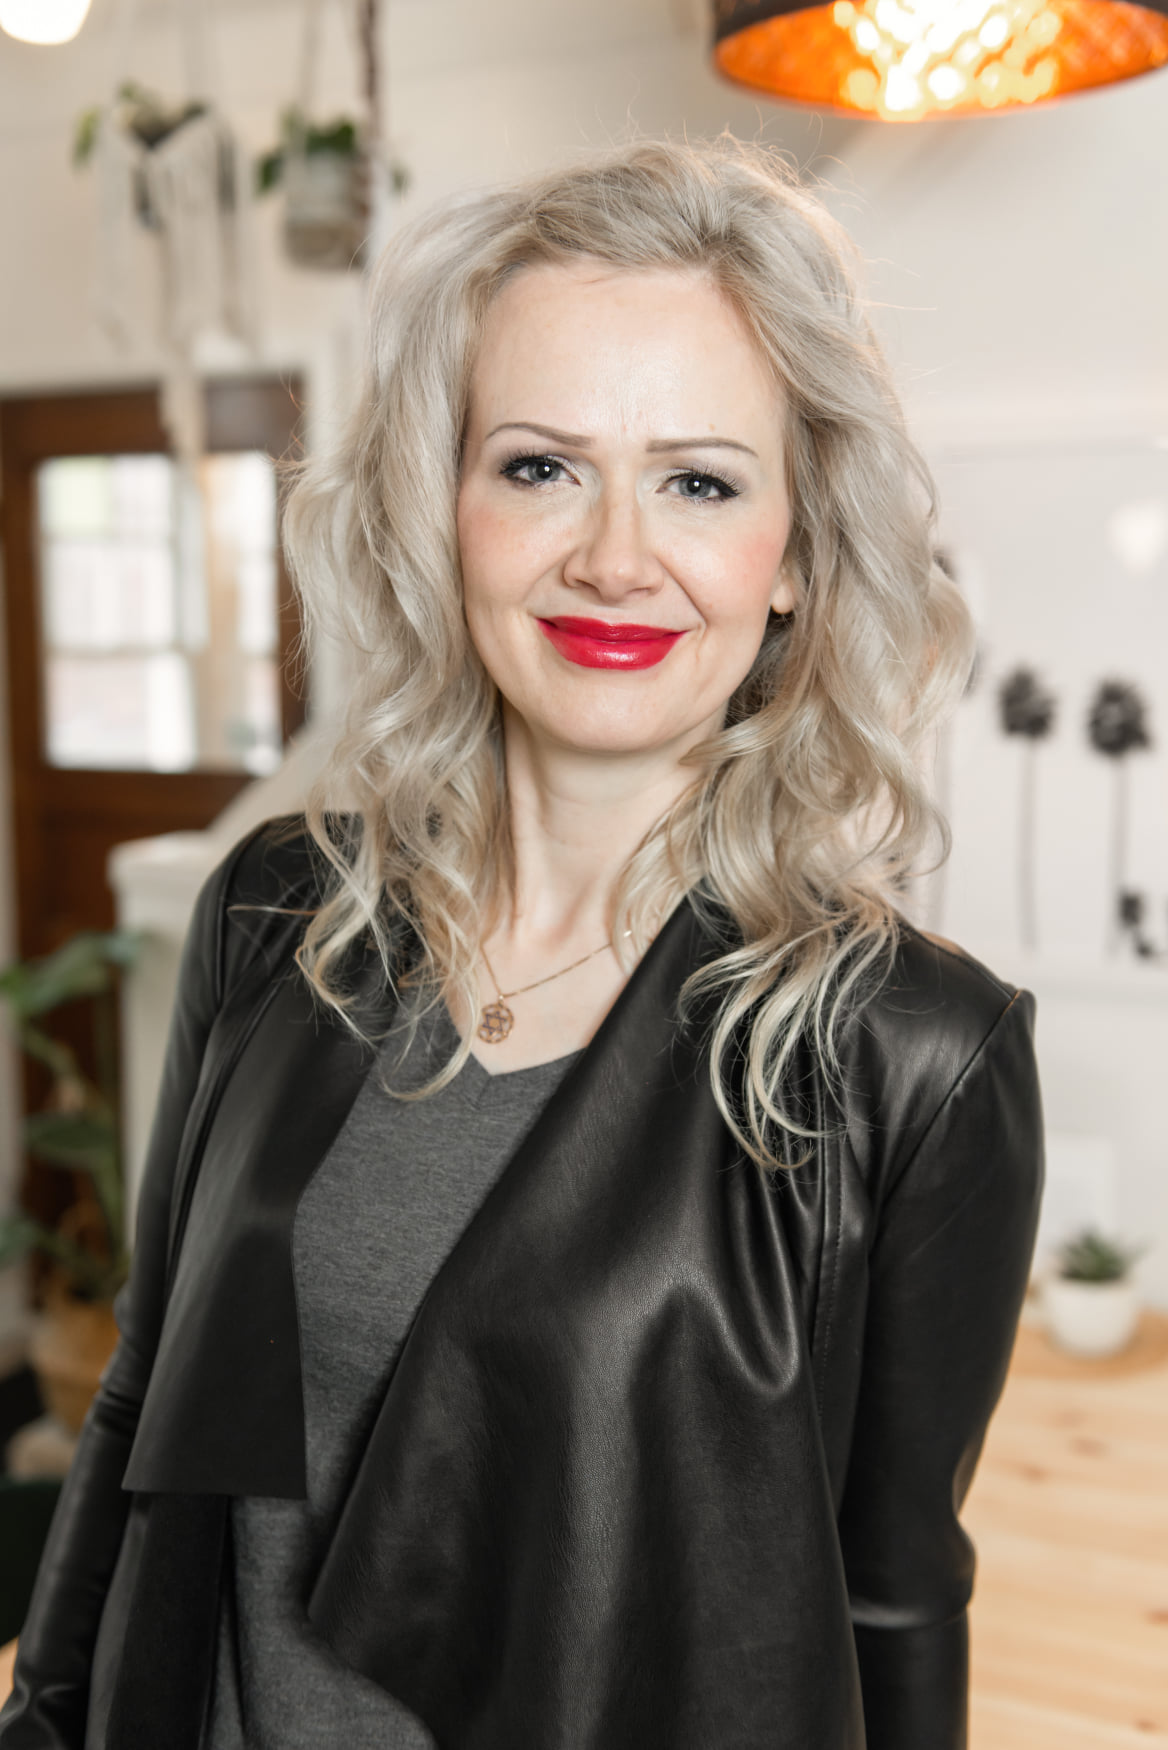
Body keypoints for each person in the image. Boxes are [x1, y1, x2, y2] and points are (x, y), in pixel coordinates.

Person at [1, 137, 1043, 1750]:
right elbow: (144, 1396)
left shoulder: (909, 1053)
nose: (614, 555)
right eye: (541, 465)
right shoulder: (284, 910)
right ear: (447, 509)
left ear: (796, 561)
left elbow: (890, 1598)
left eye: (699, 479)